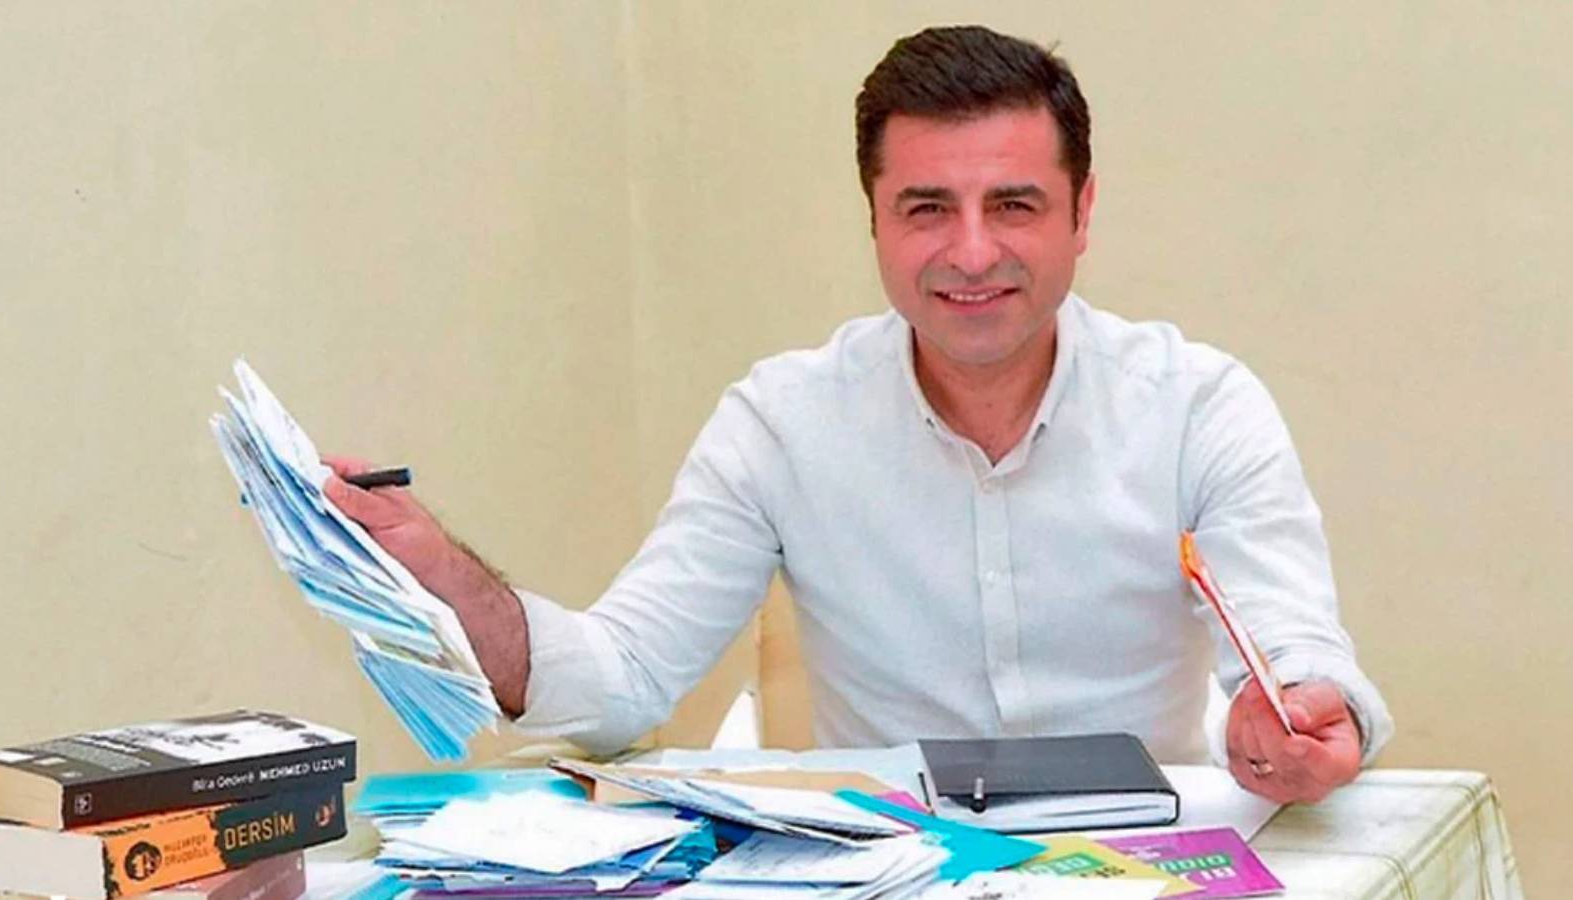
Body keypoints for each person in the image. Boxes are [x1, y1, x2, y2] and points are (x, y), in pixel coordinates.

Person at [326, 25, 1391, 805]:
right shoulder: (782, 422)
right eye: (927, 208)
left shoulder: (1198, 405)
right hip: (893, 868)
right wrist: (446, 575)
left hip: (1147, 862)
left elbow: (1298, 654)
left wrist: (1304, 717)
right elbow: (622, 683)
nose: (971, 252)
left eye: (1013, 205)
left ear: (1082, 213)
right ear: (874, 222)